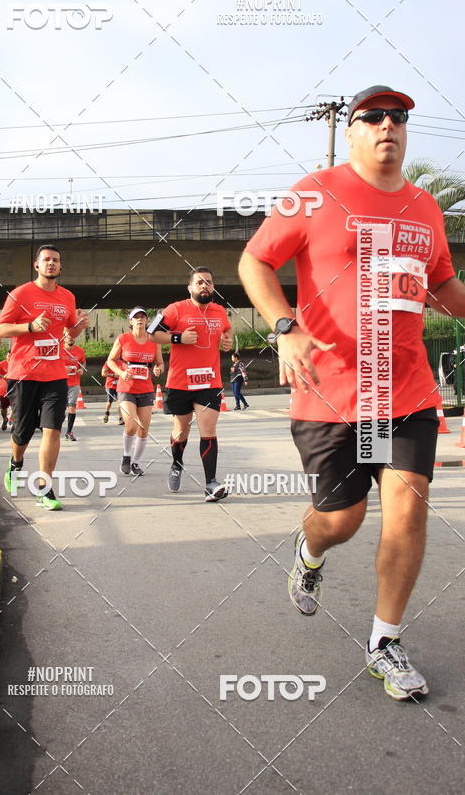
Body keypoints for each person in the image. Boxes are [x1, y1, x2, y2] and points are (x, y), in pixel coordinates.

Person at [239, 84, 465, 700]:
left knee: (407, 509)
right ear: (352, 130)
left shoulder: (425, 207)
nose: (388, 125)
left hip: (405, 393)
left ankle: (385, 641)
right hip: (330, 393)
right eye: (373, 116)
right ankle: (310, 548)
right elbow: (255, 262)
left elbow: (441, 283)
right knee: (342, 519)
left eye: (399, 117)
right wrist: (285, 326)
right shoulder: (315, 191)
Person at [0, 244, 89, 510]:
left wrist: (78, 328)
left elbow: (69, 334)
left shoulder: (67, 297)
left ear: (60, 266)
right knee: (22, 432)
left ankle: (44, 488)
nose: (51, 263)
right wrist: (29, 326)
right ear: (36, 265)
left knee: (53, 429)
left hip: (55, 374)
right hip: (23, 372)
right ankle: (15, 464)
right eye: (46, 259)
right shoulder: (20, 294)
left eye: (55, 260)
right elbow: (0, 329)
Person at [149, 267, 233, 500]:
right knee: (181, 431)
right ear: (190, 288)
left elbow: (227, 329)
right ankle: (177, 463)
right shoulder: (175, 309)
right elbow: (152, 334)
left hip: (209, 382)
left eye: (209, 282)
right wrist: (179, 338)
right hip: (180, 381)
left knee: (208, 429)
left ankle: (211, 484)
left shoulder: (219, 311)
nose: (204, 285)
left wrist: (227, 339)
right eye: (199, 282)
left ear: (213, 287)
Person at [107, 307, 164, 476]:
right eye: (136, 317)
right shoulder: (123, 339)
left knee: (143, 429)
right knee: (131, 425)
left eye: (143, 317)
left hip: (146, 389)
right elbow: (110, 361)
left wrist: (158, 369)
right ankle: (126, 455)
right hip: (126, 388)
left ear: (147, 320)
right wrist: (121, 372)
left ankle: (135, 462)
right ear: (130, 321)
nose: (140, 319)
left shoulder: (154, 341)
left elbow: (160, 363)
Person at [63, 333, 86, 441]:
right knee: (60, 409)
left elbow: (83, 362)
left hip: (74, 383)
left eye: (73, 337)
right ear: (64, 337)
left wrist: (82, 369)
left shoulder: (80, 351)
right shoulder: (59, 350)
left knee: (72, 406)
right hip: (61, 383)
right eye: (69, 336)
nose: (71, 338)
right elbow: (52, 363)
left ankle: (69, 432)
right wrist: (63, 368)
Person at [101, 358, 124, 424]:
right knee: (109, 402)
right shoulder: (108, 362)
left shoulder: (122, 362)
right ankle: (107, 413)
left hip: (119, 386)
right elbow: (103, 373)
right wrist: (113, 375)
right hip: (110, 385)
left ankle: (120, 418)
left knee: (119, 402)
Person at [0, 351, 12, 431]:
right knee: (4, 407)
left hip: (14, 390)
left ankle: (13, 421)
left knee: (15, 406)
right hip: (3, 390)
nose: (9, 358)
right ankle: (5, 419)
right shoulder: (2, 364)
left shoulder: (16, 363)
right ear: (6, 356)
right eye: (8, 356)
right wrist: (3, 376)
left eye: (11, 356)